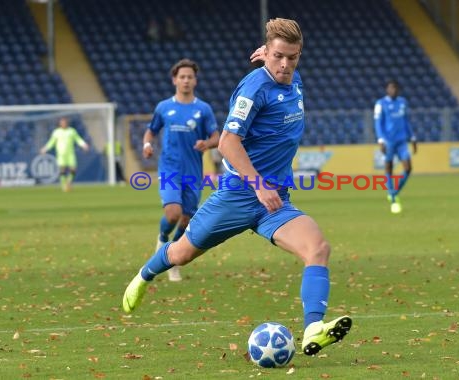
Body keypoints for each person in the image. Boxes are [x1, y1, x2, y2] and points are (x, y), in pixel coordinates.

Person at [122, 18, 352, 357]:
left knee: (317, 249)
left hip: (275, 202)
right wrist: (258, 185)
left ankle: (314, 328)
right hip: (239, 196)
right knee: (181, 252)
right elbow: (228, 142)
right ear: (267, 52)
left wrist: (269, 59)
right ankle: (144, 275)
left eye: (292, 56)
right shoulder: (253, 89)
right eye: (278, 56)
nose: (285, 64)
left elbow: (281, 69)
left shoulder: (293, 78)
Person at [143, 58, 219, 282]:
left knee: (186, 220)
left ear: (195, 81)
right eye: (182, 77)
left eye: (190, 77)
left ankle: (173, 260)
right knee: (173, 213)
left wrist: (207, 143)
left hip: (193, 172)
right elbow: (151, 131)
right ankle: (162, 238)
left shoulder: (203, 109)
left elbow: (217, 136)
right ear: (175, 80)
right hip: (169, 169)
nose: (186, 80)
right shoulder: (164, 107)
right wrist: (147, 145)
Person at [373, 79, 417, 214]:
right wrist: (380, 140)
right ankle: (392, 197)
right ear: (387, 90)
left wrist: (413, 137)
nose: (393, 90)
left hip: (402, 140)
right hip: (388, 141)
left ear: (398, 90)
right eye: (391, 88)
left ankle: (394, 192)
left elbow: (406, 121)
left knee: (408, 168)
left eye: (395, 88)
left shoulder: (403, 102)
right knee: (389, 168)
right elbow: (378, 123)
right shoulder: (380, 104)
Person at [40, 117, 89, 192]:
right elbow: (51, 142)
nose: (63, 123)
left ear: (67, 123)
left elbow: (78, 139)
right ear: (60, 123)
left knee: (73, 168)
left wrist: (84, 145)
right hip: (61, 154)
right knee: (62, 169)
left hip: (70, 153)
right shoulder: (56, 132)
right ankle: (64, 185)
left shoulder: (72, 131)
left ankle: (69, 182)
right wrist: (45, 148)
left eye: (64, 122)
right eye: (62, 122)